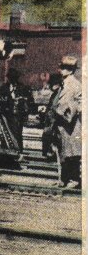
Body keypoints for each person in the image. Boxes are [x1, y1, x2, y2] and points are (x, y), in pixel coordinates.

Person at [53, 55, 81, 188]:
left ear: (70, 70)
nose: (60, 70)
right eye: (61, 67)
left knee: (71, 153)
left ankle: (73, 180)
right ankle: (64, 179)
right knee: (64, 152)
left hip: (70, 125)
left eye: (64, 68)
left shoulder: (72, 84)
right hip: (64, 124)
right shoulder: (65, 83)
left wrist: (55, 111)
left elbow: (68, 106)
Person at [0, 68, 33, 156]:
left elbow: (29, 99)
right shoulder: (4, 88)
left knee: (18, 132)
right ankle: (9, 149)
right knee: (8, 131)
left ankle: (18, 150)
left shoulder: (22, 87)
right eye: (11, 78)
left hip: (19, 114)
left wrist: (22, 99)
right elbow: (1, 100)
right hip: (8, 113)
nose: (12, 80)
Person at [41, 72, 62, 159]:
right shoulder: (55, 93)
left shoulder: (59, 93)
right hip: (50, 121)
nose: (49, 86)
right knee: (47, 136)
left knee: (49, 137)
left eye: (51, 84)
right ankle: (49, 154)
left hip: (53, 122)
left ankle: (51, 154)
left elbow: (54, 107)